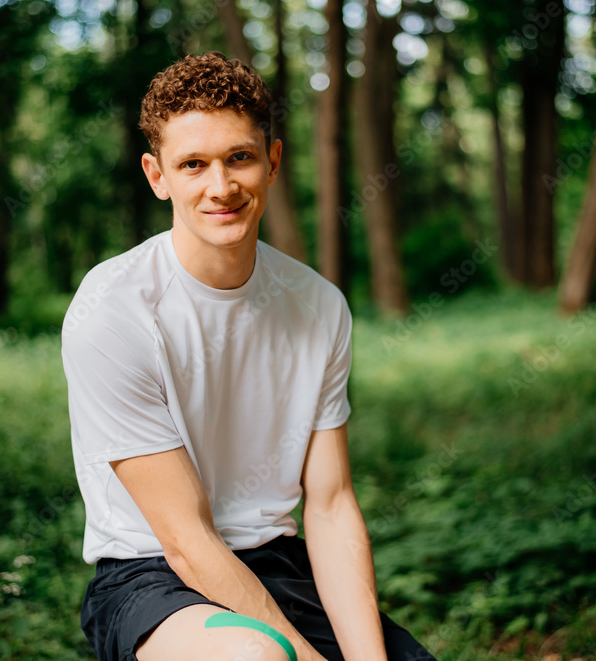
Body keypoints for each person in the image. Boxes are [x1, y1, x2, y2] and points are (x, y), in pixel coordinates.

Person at [61, 51, 436, 661]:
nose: (221, 186)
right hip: (148, 573)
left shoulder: (318, 306)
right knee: (260, 658)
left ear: (273, 161)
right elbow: (185, 540)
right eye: (193, 164)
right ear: (157, 176)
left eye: (239, 157)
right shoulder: (114, 310)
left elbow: (332, 504)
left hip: (277, 564)